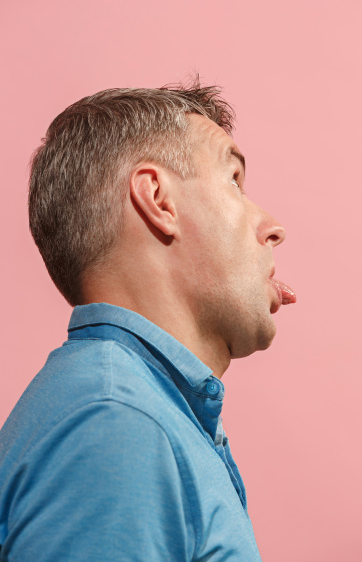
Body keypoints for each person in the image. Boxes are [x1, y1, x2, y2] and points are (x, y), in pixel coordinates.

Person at [0, 76, 296, 561]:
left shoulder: (130, 409)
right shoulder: (118, 424)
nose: (272, 227)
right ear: (159, 201)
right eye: (234, 181)